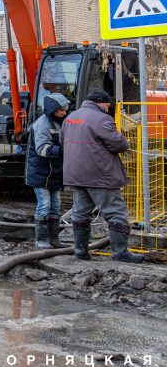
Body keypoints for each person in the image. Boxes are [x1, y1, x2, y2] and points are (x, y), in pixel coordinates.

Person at [62, 89, 143, 263]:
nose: (108, 108)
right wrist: (125, 142)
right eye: (107, 105)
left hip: (75, 174)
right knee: (116, 213)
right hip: (99, 175)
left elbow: (63, 142)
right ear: (100, 102)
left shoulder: (70, 118)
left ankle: (80, 251)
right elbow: (118, 144)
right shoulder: (102, 119)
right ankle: (120, 253)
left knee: (80, 213)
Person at [26, 93, 69, 249]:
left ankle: (54, 239)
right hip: (41, 172)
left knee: (55, 205)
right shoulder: (43, 125)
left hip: (54, 172)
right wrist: (63, 150)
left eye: (65, 109)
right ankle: (42, 240)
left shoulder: (59, 122)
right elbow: (42, 149)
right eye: (61, 110)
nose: (65, 113)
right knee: (44, 205)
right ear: (53, 110)